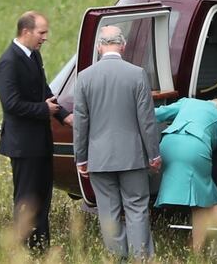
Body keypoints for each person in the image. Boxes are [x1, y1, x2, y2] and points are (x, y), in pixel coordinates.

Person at [72, 25, 161, 260]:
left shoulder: (85, 77)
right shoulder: (137, 73)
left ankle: (116, 258)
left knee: (108, 213)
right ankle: (141, 258)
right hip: (132, 156)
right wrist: (154, 154)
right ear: (123, 45)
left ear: (100, 47)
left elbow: (81, 122)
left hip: (99, 158)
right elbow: (147, 120)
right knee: (137, 209)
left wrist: (81, 158)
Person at [0, 11, 73, 251]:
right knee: (27, 199)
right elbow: (11, 104)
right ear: (26, 32)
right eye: (42, 33)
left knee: (43, 197)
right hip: (23, 145)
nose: (45, 38)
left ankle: (40, 248)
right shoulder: (8, 63)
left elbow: (44, 90)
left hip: (41, 142)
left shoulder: (33, 57)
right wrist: (43, 109)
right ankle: (22, 248)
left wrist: (63, 114)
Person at [153, 96, 217, 252]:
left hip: (167, 146)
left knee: (200, 200)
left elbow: (155, 114)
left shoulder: (188, 102)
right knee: (205, 190)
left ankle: (198, 251)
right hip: (194, 150)